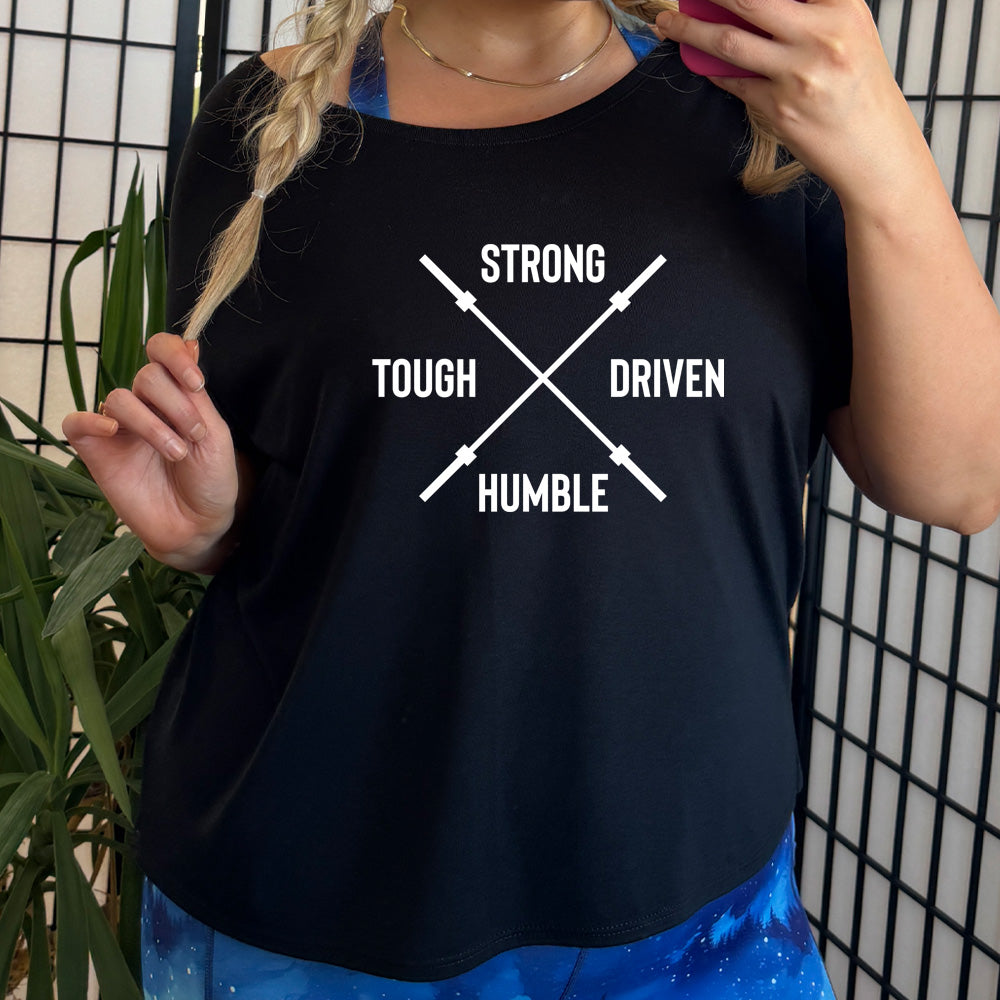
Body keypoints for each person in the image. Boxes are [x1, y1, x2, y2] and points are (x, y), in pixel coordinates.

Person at [62, 0, 1000, 997]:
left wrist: (884, 148)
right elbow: (307, 490)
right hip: (311, 914)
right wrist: (211, 522)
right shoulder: (261, 123)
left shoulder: (780, 117)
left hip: (697, 931)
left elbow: (956, 484)